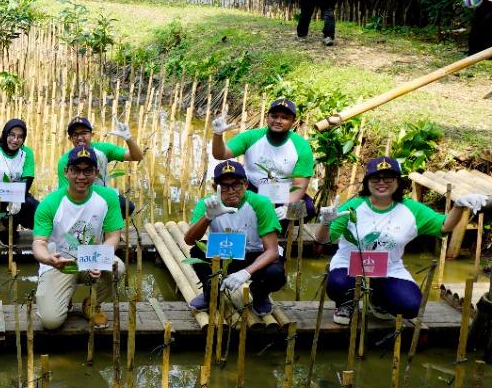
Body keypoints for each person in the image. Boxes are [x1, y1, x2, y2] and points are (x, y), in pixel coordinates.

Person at [315, 157, 486, 323]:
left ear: (398, 182)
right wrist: (325, 222)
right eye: (375, 178)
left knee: (410, 306)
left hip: (388, 268)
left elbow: (444, 226)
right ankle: (346, 302)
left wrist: (458, 207)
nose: (382, 182)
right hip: (349, 264)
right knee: (338, 284)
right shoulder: (353, 207)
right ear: (367, 182)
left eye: (389, 177)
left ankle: (378, 299)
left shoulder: (411, 209)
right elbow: (322, 239)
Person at [32, 146, 125, 330]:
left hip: (90, 258)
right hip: (60, 263)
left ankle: (92, 302)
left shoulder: (108, 198)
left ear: (96, 173)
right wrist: (47, 258)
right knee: (50, 322)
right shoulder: (50, 203)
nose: (81, 177)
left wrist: (98, 258)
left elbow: (113, 236)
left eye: (88, 171)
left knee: (117, 267)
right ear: (66, 172)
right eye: (76, 170)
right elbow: (39, 242)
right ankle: (63, 299)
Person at [183, 160, 286, 316]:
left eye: (236, 184)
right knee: (198, 251)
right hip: (224, 253)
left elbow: (272, 251)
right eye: (224, 186)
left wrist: (245, 272)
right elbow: (189, 240)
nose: (231, 191)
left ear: (246, 185)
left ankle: (260, 293)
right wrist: (208, 216)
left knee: (275, 273)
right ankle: (210, 293)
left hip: (255, 255)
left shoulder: (261, 203)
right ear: (214, 188)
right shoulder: (207, 204)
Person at [211, 98, 315, 223]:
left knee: (308, 208)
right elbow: (220, 154)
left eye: (284, 118)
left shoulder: (301, 146)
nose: (278, 121)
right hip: (252, 188)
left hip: (283, 191)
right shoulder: (251, 137)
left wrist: (286, 207)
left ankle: (280, 232)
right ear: (267, 118)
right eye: (274, 116)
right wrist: (217, 134)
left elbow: (299, 185)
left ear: (293, 121)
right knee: (233, 206)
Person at [55, 115, 142, 216]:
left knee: (127, 207)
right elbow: (66, 193)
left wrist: (128, 138)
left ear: (92, 134)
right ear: (70, 138)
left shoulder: (103, 149)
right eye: (75, 134)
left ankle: (107, 228)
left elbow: (137, 156)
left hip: (102, 194)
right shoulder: (64, 161)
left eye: (84, 133)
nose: (79, 137)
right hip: (80, 197)